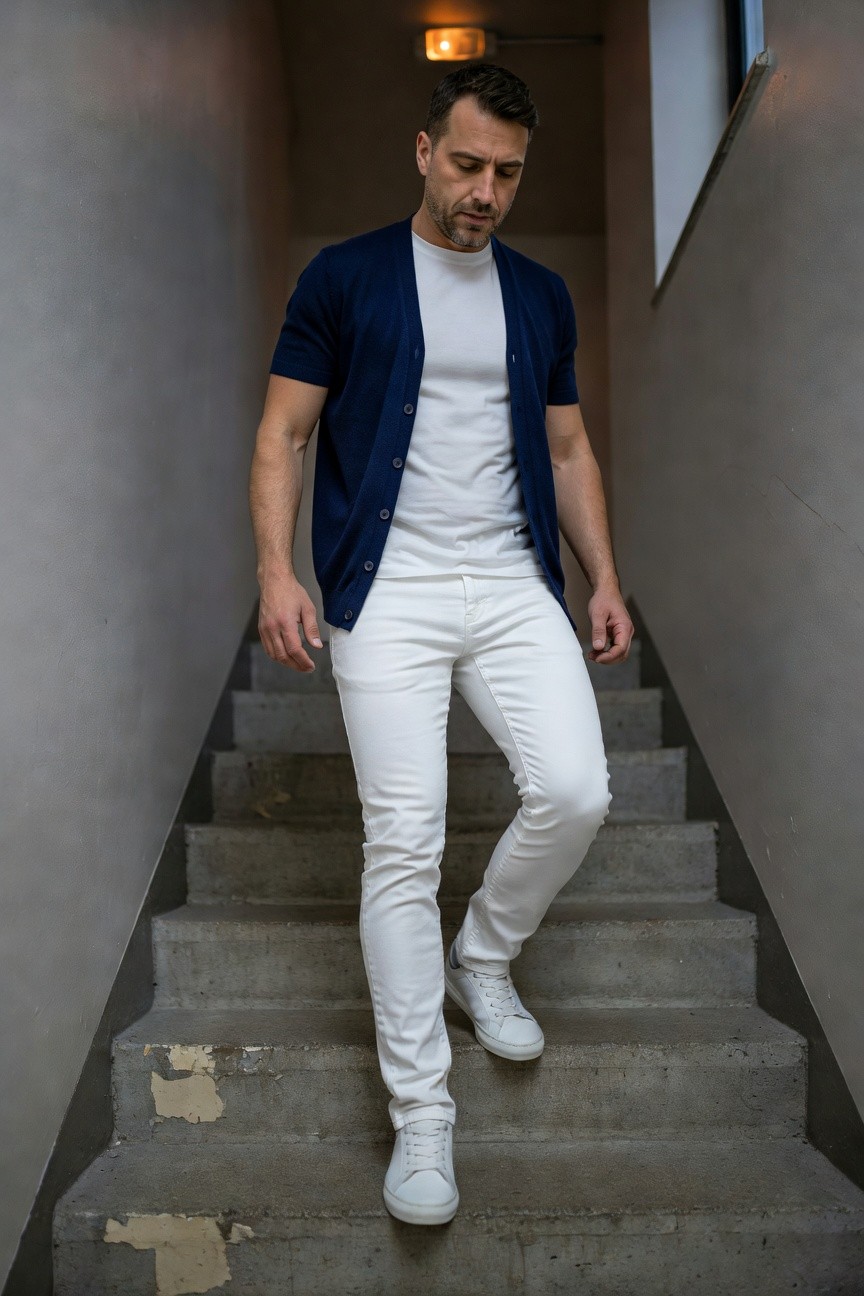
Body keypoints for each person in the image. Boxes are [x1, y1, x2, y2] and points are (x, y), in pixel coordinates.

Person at [248, 61, 634, 1227]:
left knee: (576, 790)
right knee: (402, 844)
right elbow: (283, 433)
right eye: (466, 165)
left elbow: (567, 451)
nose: (485, 191)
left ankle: (485, 952)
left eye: (507, 173)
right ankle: (424, 1117)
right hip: (392, 589)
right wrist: (276, 570)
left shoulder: (541, 295)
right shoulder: (344, 276)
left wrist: (603, 576)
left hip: (513, 580)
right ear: (424, 150)